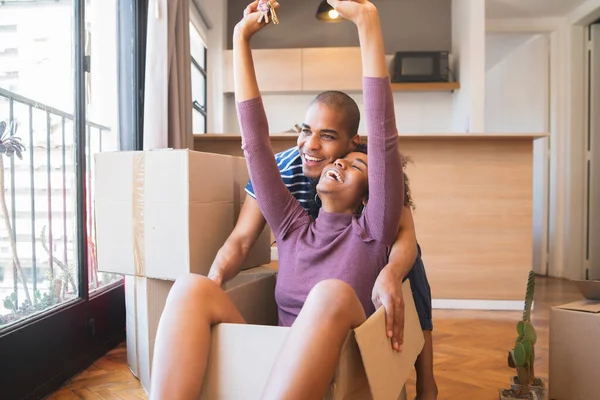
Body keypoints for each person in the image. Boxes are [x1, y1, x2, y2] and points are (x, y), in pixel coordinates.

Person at [150, 1, 435, 399]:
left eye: (355, 166)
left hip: (344, 366)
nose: (337, 164)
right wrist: (240, 38)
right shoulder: (292, 226)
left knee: (331, 292)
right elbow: (254, 143)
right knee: (190, 288)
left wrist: (367, 22)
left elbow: (384, 133)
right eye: (340, 161)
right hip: (276, 362)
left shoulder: (374, 232)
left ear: (372, 196)